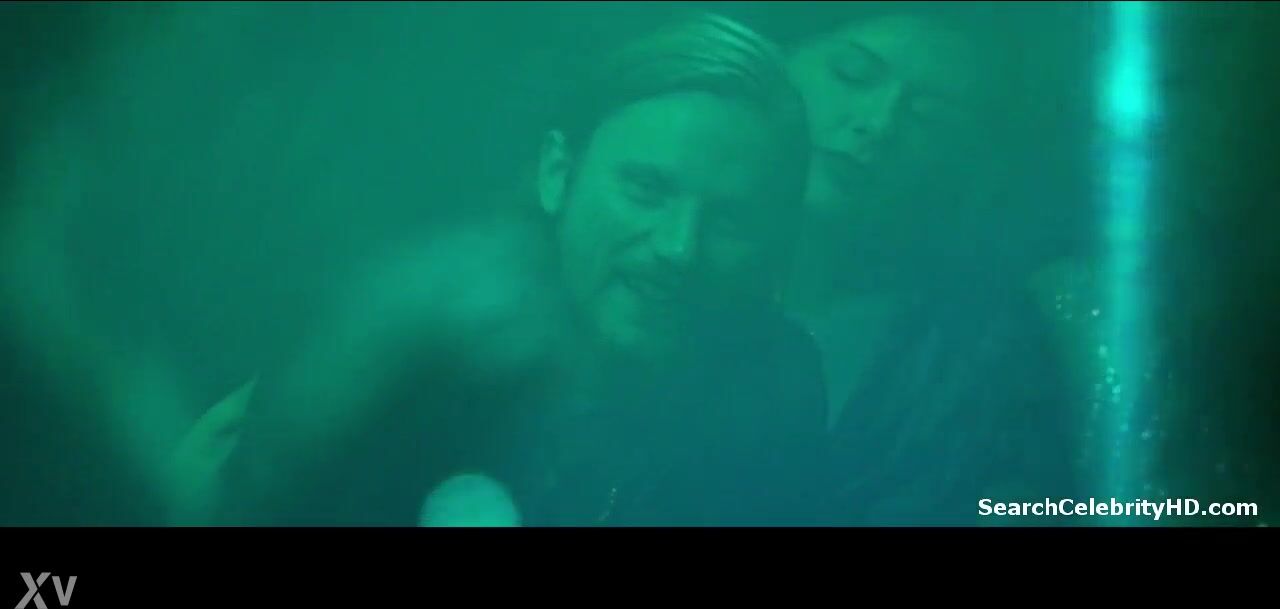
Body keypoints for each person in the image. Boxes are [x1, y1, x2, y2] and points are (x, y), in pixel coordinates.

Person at [176, 12, 826, 526]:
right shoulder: (427, 343)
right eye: (646, 189)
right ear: (557, 173)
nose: (678, 247)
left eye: (730, 221)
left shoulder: (775, 384)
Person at [746, 3, 1086, 524]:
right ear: (777, 59)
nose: (878, 124)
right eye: (851, 74)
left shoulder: (973, 358)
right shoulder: (653, 272)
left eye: (928, 116)